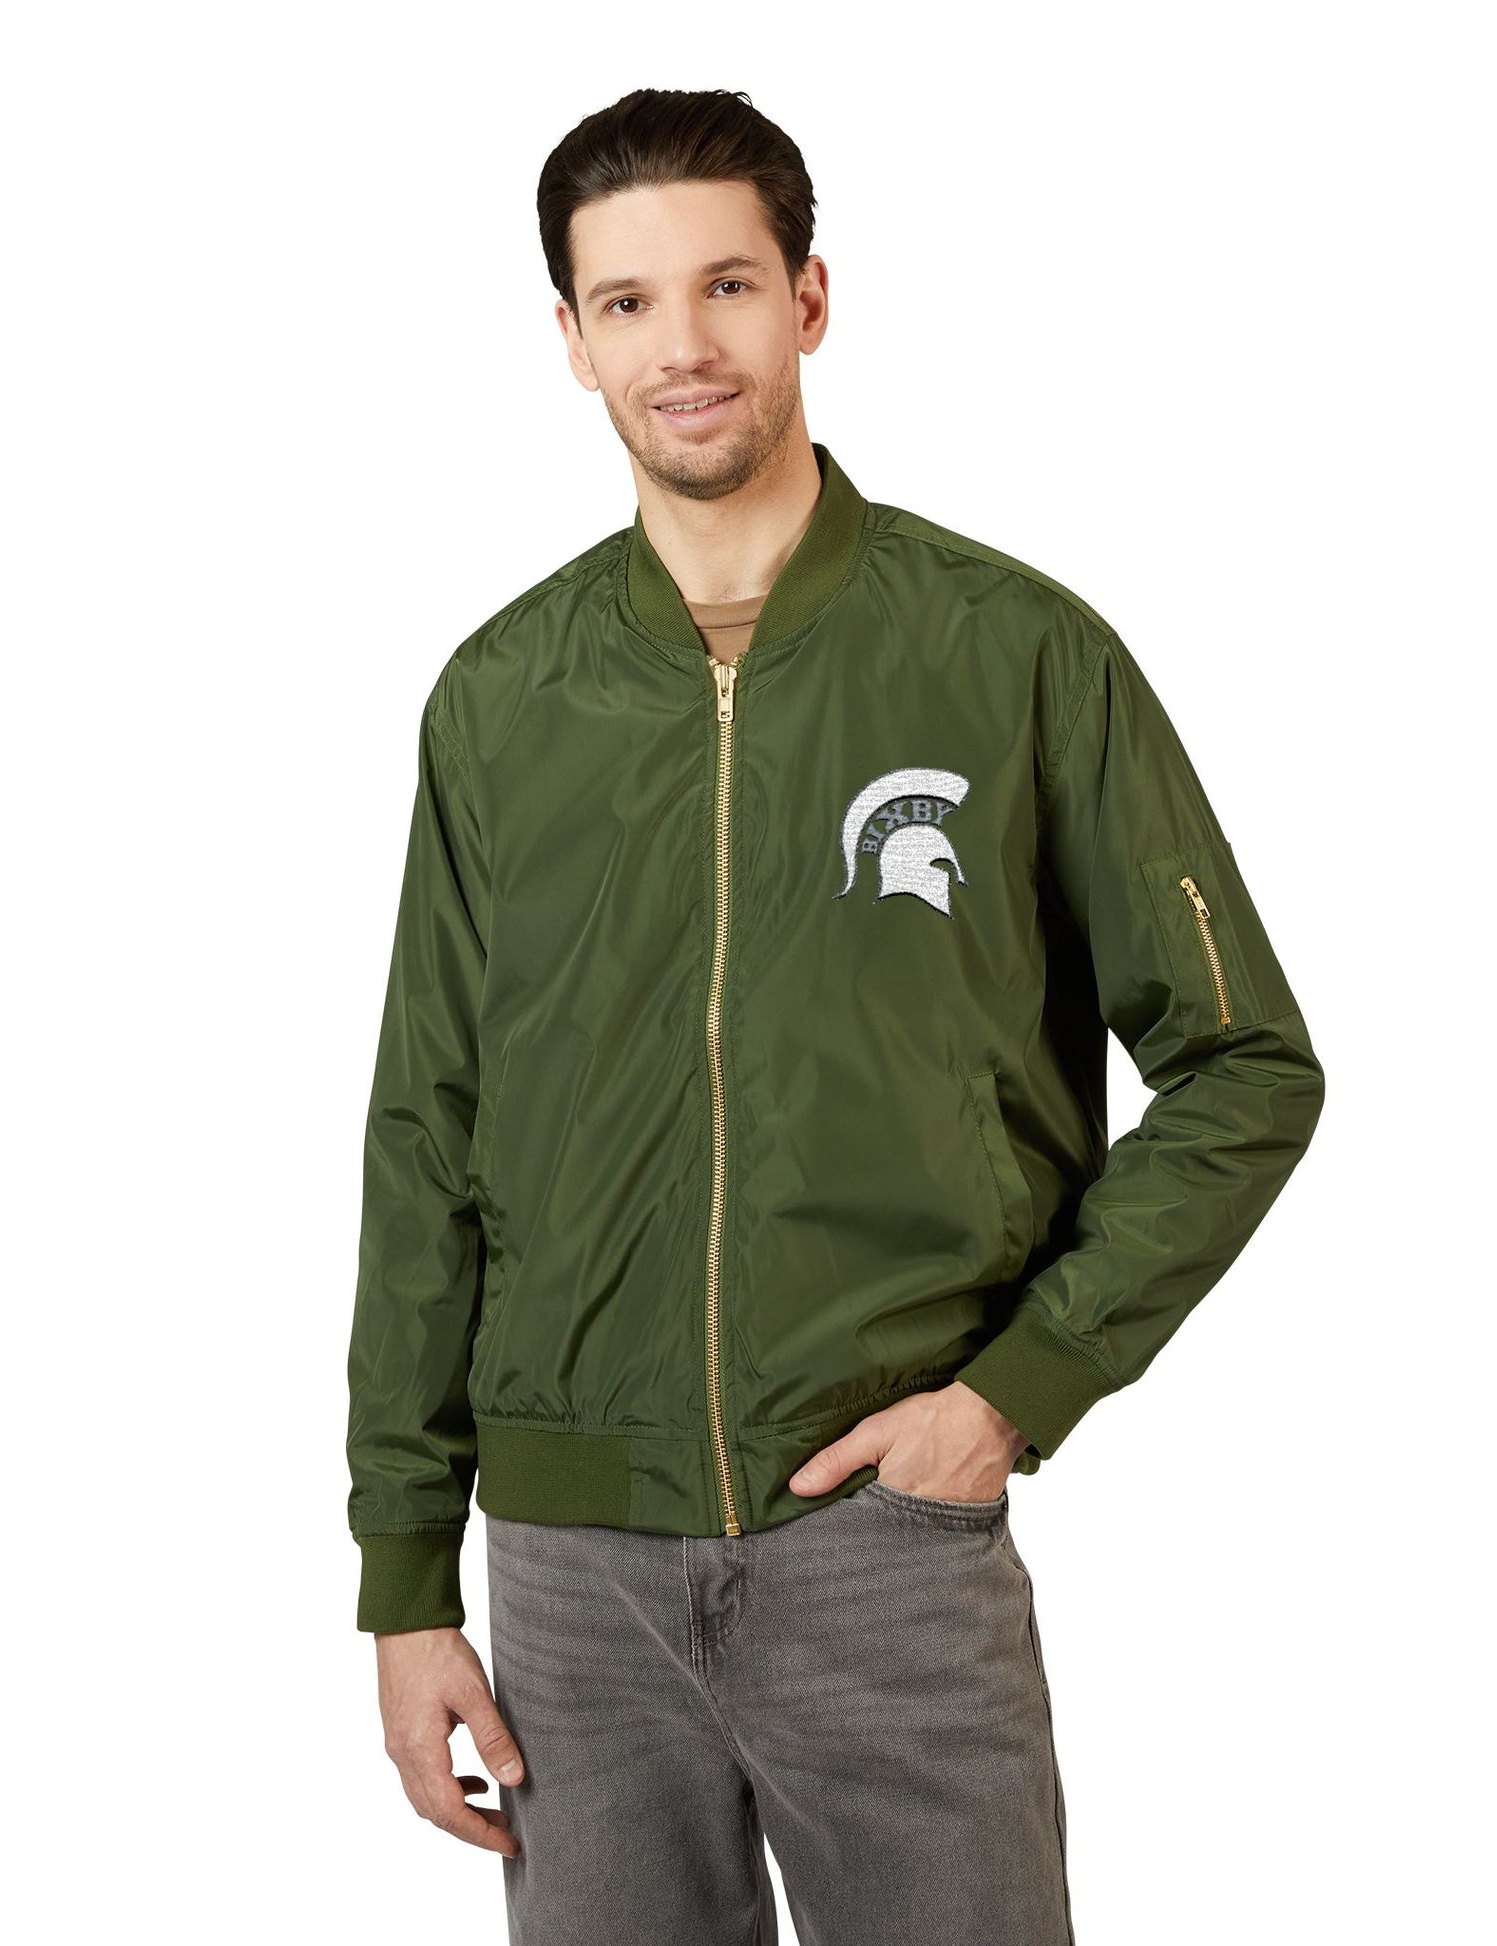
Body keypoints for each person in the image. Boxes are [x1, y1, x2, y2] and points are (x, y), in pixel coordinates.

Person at [346, 86, 1325, 1946]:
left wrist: (1011, 1395)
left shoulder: (1011, 653)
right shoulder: (501, 698)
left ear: (807, 298)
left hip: (882, 1545)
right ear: (570, 340)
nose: (682, 344)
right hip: (569, 1578)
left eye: (725, 284)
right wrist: (406, 1570)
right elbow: (428, 1135)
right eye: (626, 301)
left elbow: (1242, 1065)